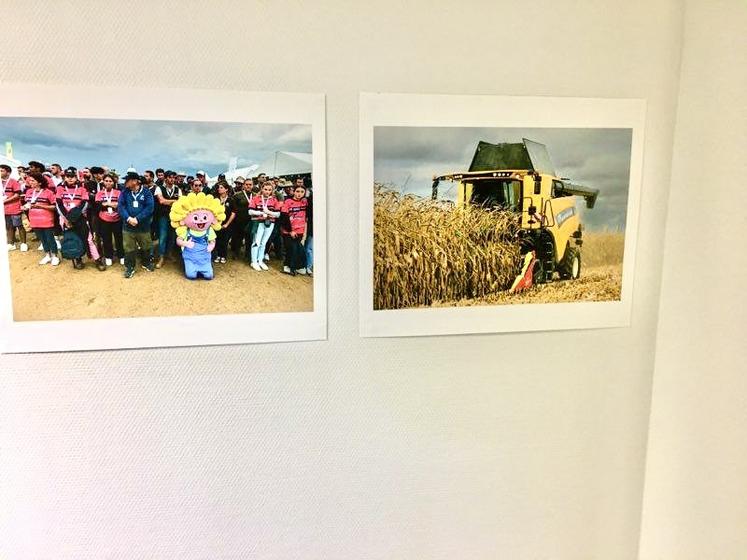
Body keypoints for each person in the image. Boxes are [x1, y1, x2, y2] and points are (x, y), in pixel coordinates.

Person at [56, 166, 105, 271]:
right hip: (66, 219)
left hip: (80, 218)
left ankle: (97, 260)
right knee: (73, 239)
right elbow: (58, 205)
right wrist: (67, 219)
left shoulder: (82, 189)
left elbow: (85, 204)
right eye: (67, 176)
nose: (70, 178)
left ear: (76, 177)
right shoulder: (60, 188)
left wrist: (74, 216)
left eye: (72, 176)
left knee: (89, 239)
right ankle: (78, 259)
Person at [118, 172, 155, 278]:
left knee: (146, 246)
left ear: (135, 181)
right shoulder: (125, 192)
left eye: (127, 180)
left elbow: (149, 208)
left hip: (143, 226)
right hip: (128, 226)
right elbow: (120, 206)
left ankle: (146, 263)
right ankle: (130, 267)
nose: (125, 182)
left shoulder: (147, 192)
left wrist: (138, 219)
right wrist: (129, 218)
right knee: (128, 248)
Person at [22, 172, 59, 266]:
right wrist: (24, 207)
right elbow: (28, 203)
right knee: (42, 240)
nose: (30, 182)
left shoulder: (48, 192)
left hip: (46, 220)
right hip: (34, 220)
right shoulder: (29, 192)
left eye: (33, 180)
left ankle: (55, 256)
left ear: (40, 182)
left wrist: (41, 206)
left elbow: (54, 207)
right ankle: (47, 255)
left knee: (50, 239)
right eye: (30, 180)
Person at [248, 181, 280, 271]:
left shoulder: (274, 200)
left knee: (264, 242)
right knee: (256, 242)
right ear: (262, 189)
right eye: (265, 189)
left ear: (272, 190)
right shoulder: (256, 198)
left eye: (269, 190)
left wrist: (269, 212)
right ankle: (253, 261)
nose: (267, 191)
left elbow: (278, 214)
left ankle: (260, 260)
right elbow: (250, 211)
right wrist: (261, 212)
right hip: (258, 222)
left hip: (270, 223)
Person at [94, 173, 125, 266]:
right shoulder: (99, 193)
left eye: (110, 181)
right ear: (103, 182)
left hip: (117, 219)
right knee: (106, 239)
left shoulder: (119, 192)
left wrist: (106, 203)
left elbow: (119, 205)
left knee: (119, 239)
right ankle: (108, 256)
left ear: (113, 182)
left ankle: (121, 256)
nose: (108, 182)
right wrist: (112, 203)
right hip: (104, 220)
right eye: (106, 181)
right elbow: (98, 206)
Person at [153, 170, 181, 268]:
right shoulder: (159, 188)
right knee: (163, 237)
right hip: (163, 216)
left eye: (173, 177)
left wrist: (169, 201)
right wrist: (175, 201)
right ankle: (161, 257)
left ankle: (168, 254)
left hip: (175, 217)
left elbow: (181, 203)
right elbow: (161, 201)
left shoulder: (178, 189)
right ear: (165, 178)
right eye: (170, 177)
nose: (172, 179)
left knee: (172, 237)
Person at [280, 184, 308, 275]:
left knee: (297, 249)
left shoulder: (305, 202)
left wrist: (304, 232)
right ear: (294, 191)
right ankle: (286, 267)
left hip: (300, 230)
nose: (299, 194)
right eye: (297, 191)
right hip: (288, 231)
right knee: (290, 249)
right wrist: (290, 230)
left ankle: (296, 267)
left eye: (302, 192)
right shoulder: (287, 201)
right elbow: (284, 217)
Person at [2, 164, 27, 252]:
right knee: (9, 227)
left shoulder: (13, 182)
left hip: (14, 208)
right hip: (4, 210)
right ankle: (11, 243)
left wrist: (5, 201)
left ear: (8, 173)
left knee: (19, 225)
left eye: (2, 171)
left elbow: (17, 195)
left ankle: (23, 243)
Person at [230, 177, 253, 259]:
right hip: (239, 220)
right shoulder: (237, 195)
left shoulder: (255, 195)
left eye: (250, 185)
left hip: (251, 221)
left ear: (252, 185)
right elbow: (233, 208)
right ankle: (236, 253)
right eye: (246, 184)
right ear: (243, 185)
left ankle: (248, 254)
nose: (248, 186)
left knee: (249, 239)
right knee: (238, 238)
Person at [213, 183, 235, 264]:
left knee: (225, 241)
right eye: (219, 188)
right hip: (217, 224)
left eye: (221, 188)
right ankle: (217, 255)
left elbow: (233, 213)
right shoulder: (216, 200)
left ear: (226, 189)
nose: (219, 189)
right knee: (217, 240)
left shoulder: (231, 200)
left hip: (227, 224)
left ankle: (223, 256)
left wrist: (227, 224)